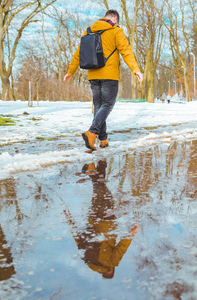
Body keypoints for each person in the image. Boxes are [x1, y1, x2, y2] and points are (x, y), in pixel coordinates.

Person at [64, 10, 143, 150]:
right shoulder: (116, 30)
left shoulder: (89, 31)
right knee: (107, 105)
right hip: (109, 75)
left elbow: (78, 53)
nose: (117, 22)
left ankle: (103, 139)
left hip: (93, 75)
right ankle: (92, 132)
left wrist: (70, 71)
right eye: (117, 20)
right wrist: (135, 69)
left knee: (99, 106)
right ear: (114, 18)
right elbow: (126, 51)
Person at [65, 160, 139, 279]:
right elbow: (80, 241)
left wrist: (132, 233)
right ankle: (101, 163)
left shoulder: (111, 264)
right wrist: (70, 221)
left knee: (103, 192)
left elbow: (121, 248)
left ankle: (90, 172)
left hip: (107, 222)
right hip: (93, 220)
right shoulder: (88, 260)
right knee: (99, 192)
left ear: (110, 271)